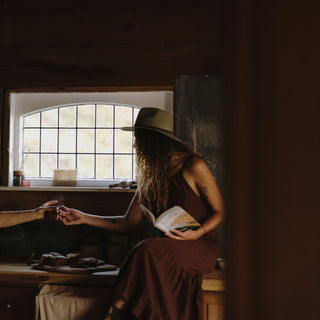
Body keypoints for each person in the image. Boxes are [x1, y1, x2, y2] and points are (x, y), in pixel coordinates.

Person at [57, 107, 225, 320]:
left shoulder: (193, 165)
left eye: (140, 139)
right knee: (145, 249)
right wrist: (84, 217)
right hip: (168, 247)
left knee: (148, 248)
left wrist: (198, 232)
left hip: (200, 245)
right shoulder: (150, 175)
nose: (136, 145)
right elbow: (127, 223)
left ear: (155, 141)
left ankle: (117, 309)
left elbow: (221, 211)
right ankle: (121, 311)